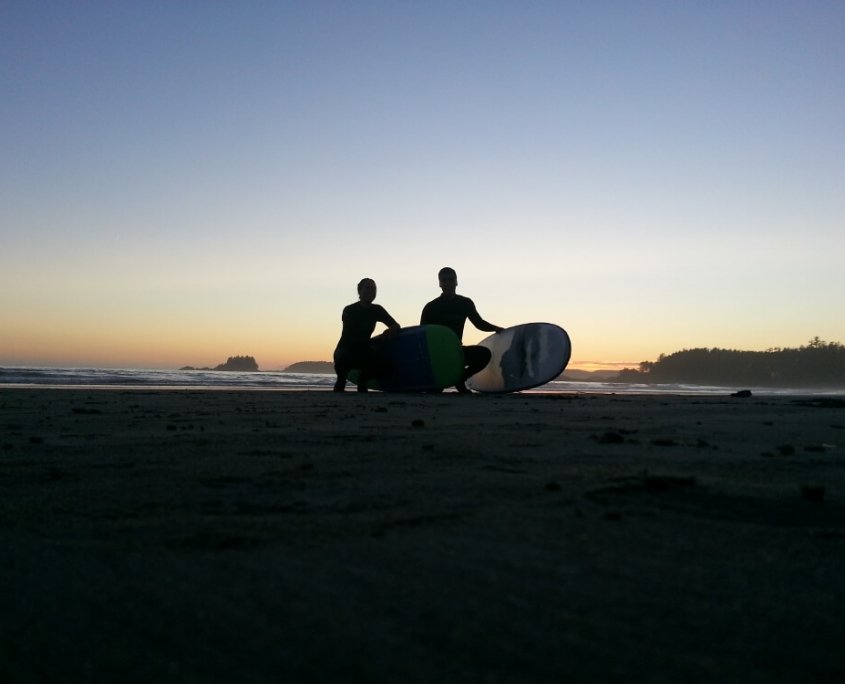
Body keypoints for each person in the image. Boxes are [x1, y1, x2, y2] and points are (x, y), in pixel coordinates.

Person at [420, 267, 504, 393]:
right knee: (435, 392)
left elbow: (479, 323)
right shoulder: (431, 307)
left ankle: (459, 379)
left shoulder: (465, 303)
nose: (448, 283)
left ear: (456, 282)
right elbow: (422, 335)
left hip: (457, 352)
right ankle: (442, 378)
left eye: (451, 279)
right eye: (444, 280)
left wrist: (496, 328)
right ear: (440, 284)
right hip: (437, 356)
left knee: (484, 354)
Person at [333, 278, 400, 392]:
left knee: (387, 366)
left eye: (373, 288)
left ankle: (363, 380)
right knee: (342, 358)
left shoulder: (377, 309)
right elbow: (351, 337)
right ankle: (341, 380)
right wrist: (377, 340)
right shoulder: (349, 310)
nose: (370, 291)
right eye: (367, 288)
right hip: (346, 350)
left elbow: (395, 325)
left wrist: (388, 332)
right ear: (359, 291)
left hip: (363, 350)